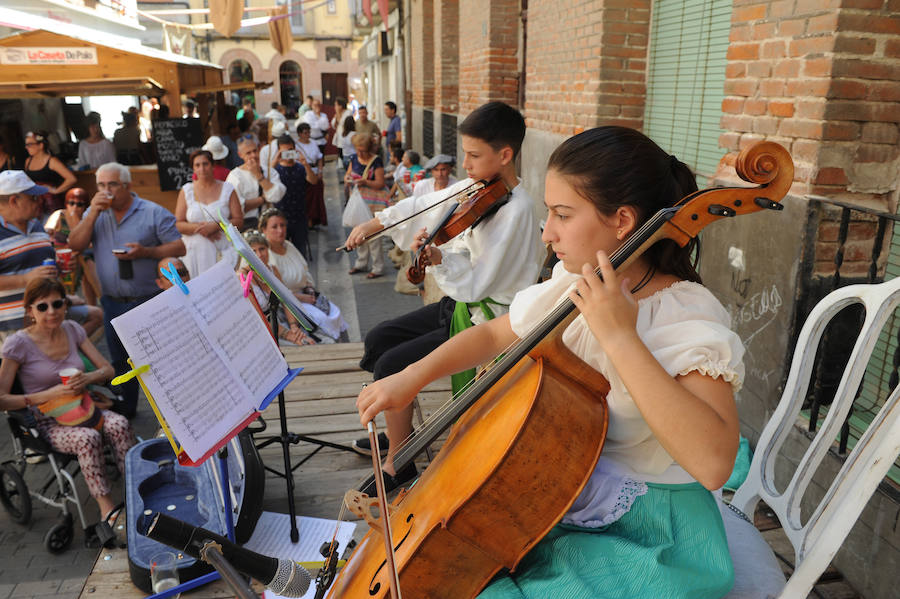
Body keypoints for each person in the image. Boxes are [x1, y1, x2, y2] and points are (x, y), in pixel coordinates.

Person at [355, 126, 742, 599]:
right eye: (548, 212)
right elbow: (498, 331)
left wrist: (620, 336)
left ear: (622, 220)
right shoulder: (572, 282)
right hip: (557, 497)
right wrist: (411, 377)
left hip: (649, 535)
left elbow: (714, 463)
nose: (546, 232)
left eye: (562, 214)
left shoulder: (684, 313)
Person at [342, 102, 544, 484]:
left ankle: (399, 463)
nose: (464, 164)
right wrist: (378, 222)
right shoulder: (480, 186)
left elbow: (482, 280)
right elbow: (427, 203)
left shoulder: (518, 210)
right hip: (460, 303)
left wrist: (438, 258)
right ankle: (397, 431)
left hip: (486, 317)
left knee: (391, 366)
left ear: (505, 155)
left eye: (473, 155)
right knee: (380, 337)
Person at [0, 277, 135, 524]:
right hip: (46, 419)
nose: (51, 311)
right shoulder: (18, 343)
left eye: (57, 304)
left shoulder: (72, 329)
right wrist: (48, 395)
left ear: (65, 305)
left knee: (120, 425)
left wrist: (87, 378)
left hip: (84, 407)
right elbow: (3, 399)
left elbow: (107, 370)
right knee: (89, 439)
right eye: (42, 306)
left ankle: (136, 490)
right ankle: (107, 507)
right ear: (30, 310)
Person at [67, 162, 186, 419]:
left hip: (149, 299)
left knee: (160, 360)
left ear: (128, 186)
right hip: (112, 301)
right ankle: (129, 412)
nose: (106, 191)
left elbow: (179, 247)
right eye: (100, 185)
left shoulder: (152, 212)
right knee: (121, 363)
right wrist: (91, 215)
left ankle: (175, 414)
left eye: (112, 185)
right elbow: (75, 243)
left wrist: (147, 252)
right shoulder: (96, 214)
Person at [0, 171, 102, 342]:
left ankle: (67, 353)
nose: (39, 201)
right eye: (32, 198)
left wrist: (60, 268)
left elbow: (43, 268)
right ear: (14, 201)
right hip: (16, 324)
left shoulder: (37, 225)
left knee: (96, 316)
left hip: (50, 312)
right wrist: (25, 279)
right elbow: (30, 275)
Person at [259, 208, 347, 341]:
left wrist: (310, 290)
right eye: (274, 227)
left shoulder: (288, 246)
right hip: (289, 304)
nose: (280, 230)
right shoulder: (266, 256)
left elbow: (305, 271)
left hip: (306, 294)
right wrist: (301, 298)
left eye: (282, 225)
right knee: (321, 320)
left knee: (336, 313)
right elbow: (275, 292)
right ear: (264, 230)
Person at [175, 150, 243, 278]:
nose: (202, 169)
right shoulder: (186, 190)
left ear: (212, 165)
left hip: (222, 249)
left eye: (205, 164)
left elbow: (239, 220)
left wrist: (216, 226)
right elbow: (178, 223)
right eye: (197, 165)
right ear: (193, 168)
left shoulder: (228, 189)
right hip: (194, 253)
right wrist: (200, 229)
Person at [240, 230, 314, 346]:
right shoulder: (243, 277)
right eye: (253, 251)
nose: (259, 255)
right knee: (302, 345)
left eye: (262, 249)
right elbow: (258, 316)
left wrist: (294, 326)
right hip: (259, 328)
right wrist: (288, 334)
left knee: (311, 338)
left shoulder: (273, 270)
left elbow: (285, 300)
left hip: (278, 322)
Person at [44, 188, 102, 305]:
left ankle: (94, 303)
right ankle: (100, 298)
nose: (75, 207)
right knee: (84, 260)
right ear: (66, 203)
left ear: (85, 206)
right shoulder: (59, 215)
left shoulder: (87, 220)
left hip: (77, 256)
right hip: (59, 256)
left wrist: (76, 221)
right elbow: (46, 232)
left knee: (84, 259)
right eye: (71, 203)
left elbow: (90, 243)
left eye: (79, 204)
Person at [344, 133, 388, 278]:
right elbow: (347, 175)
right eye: (357, 149)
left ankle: (378, 267)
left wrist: (365, 182)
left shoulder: (376, 161)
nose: (359, 153)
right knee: (358, 234)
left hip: (373, 204)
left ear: (369, 148)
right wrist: (349, 179)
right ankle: (361, 263)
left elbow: (380, 183)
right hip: (358, 202)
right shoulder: (354, 158)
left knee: (374, 236)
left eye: (362, 150)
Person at [226, 136, 286, 231]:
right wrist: (262, 199)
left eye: (255, 151)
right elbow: (237, 207)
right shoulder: (235, 176)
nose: (253, 155)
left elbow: (276, 196)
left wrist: (258, 175)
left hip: (270, 227)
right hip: (248, 226)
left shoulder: (269, 171)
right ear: (240, 155)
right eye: (248, 153)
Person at [272, 135, 316, 260]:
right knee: (280, 254)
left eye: (290, 150)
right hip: (280, 217)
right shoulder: (275, 169)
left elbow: (313, 181)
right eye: (285, 151)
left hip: (299, 217)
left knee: (300, 254)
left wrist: (306, 164)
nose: (288, 154)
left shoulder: (301, 168)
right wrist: (275, 161)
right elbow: (266, 181)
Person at [24, 130, 76, 213]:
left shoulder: (52, 161)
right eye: (26, 145)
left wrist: (56, 190)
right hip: (36, 202)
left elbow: (71, 179)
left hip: (51, 202)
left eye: (29, 144)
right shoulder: (28, 161)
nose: (26, 147)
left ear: (40, 145)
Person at [295, 123, 326, 229]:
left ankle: (315, 220)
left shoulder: (313, 143)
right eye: (305, 133)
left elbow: (319, 158)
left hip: (315, 171)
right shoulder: (296, 146)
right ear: (299, 134)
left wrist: (320, 171)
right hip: (304, 173)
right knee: (307, 200)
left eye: (309, 132)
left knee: (316, 199)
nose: (308, 134)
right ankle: (308, 220)